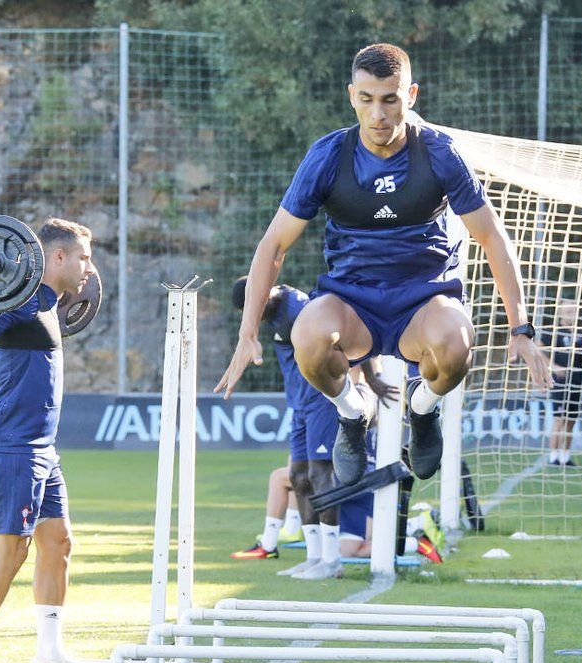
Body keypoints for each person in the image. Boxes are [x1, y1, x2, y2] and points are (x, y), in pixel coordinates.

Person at [215, 42, 550, 488]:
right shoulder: (329, 155)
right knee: (307, 335)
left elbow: (492, 238)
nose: (378, 115)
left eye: (390, 99)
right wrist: (246, 333)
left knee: (456, 342)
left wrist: (520, 329)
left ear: (410, 96)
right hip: (352, 302)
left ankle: (424, 407)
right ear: (351, 95)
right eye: (367, 99)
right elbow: (274, 245)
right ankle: (353, 415)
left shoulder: (439, 153)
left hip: (424, 301)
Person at [0, 218, 97, 663]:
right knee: (12, 551)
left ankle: (49, 653)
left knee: (58, 542)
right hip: (13, 446)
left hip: (41, 449)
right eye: (83, 258)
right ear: (56, 257)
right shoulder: (22, 300)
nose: (89, 268)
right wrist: (3, 290)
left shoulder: (49, 303)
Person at [226, 278, 395, 580]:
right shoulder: (275, 314)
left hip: (322, 401)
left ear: (267, 294)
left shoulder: (301, 309)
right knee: (298, 476)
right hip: (300, 405)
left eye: (257, 307)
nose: (256, 316)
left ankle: (332, 561)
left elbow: (349, 339)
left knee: (320, 474)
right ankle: (314, 556)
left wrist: (372, 379)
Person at [543, 301, 582, 467]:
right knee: (559, 419)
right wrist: (552, 366)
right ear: (561, 313)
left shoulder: (580, 334)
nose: (572, 314)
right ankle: (553, 457)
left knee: (571, 420)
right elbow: (538, 348)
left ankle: (565, 456)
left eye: (574, 311)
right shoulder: (553, 331)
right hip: (560, 382)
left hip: (576, 381)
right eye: (568, 312)